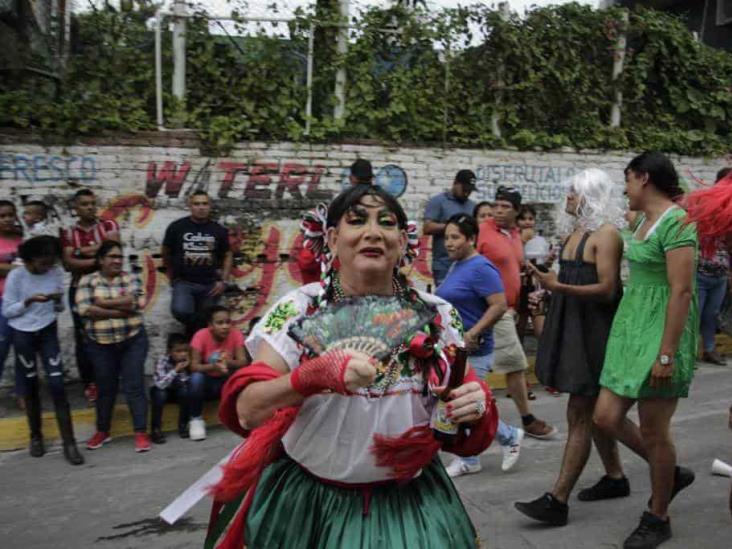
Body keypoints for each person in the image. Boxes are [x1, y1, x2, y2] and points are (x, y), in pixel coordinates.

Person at [206, 184, 497, 549]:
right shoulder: (299, 310)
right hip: (311, 506)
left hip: (413, 501)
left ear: (403, 241)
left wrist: (474, 403)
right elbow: (247, 410)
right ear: (331, 237)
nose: (373, 232)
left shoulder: (436, 314)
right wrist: (309, 377)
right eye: (356, 221)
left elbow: (460, 409)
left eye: (387, 222)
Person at [515, 169, 647, 526]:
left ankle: (557, 500)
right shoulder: (576, 233)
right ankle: (617, 477)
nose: (568, 199)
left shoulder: (605, 235)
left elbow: (607, 289)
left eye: (574, 193)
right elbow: (569, 281)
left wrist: (558, 287)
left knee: (580, 414)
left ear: (589, 196)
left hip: (595, 336)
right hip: (573, 330)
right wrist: (548, 287)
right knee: (597, 417)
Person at [593, 152, 697, 549]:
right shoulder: (640, 221)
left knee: (654, 430)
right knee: (605, 417)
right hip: (630, 328)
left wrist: (667, 353)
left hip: (662, 332)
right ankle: (669, 472)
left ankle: (658, 515)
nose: (625, 188)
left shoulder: (678, 222)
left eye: (628, 180)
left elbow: (682, 291)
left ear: (645, 178)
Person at [437, 214, 525, 476]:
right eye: (447, 238)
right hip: (454, 349)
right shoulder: (458, 264)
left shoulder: (481, 268)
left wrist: (473, 332)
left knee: (470, 405)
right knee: (460, 404)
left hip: (473, 350)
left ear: (471, 239)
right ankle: (470, 458)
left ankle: (509, 436)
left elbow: (499, 305)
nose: (449, 243)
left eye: (455, 237)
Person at [476, 186, 557, 439]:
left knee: (486, 366)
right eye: (496, 205)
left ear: (516, 211)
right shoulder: (482, 231)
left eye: (505, 207)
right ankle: (526, 419)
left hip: (507, 310)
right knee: (515, 363)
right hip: (489, 308)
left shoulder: (513, 234)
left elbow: (515, 269)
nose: (498, 211)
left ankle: (477, 422)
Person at [2, 236, 84, 465]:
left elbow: (59, 307)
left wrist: (56, 301)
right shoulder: (16, 276)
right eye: (42, 262)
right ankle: (35, 435)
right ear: (30, 260)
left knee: (57, 385)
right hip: (22, 332)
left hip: (47, 329)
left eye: (51, 261)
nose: (47, 266)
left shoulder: (55, 272)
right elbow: (8, 311)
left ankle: (70, 442)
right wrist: (28, 302)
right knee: (30, 385)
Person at [76, 240, 151, 453]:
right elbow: (84, 310)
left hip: (132, 340)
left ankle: (140, 432)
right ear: (101, 260)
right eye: (112, 256)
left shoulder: (131, 278)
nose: (117, 260)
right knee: (105, 388)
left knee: (134, 385)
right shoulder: (87, 280)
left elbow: (138, 304)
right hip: (100, 344)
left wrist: (102, 304)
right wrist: (122, 307)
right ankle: (102, 431)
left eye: (119, 256)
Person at [61, 189, 121, 404]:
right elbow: (68, 264)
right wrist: (98, 255)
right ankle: (90, 383)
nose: (90, 207)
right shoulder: (68, 232)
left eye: (92, 203)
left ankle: (111, 379)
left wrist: (81, 252)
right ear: (76, 208)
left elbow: (113, 251)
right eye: (84, 204)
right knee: (83, 338)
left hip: (106, 288)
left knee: (112, 331)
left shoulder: (109, 225)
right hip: (79, 289)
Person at [162, 190, 233, 337]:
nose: (201, 207)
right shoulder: (177, 227)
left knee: (207, 318)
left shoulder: (218, 229)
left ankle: (193, 344)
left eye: (205, 204)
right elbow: (165, 251)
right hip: (184, 282)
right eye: (197, 204)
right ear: (190, 206)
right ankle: (196, 336)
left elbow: (227, 254)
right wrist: (171, 274)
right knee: (180, 310)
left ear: (210, 206)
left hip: (210, 284)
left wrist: (223, 281)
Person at [188, 305, 247, 441]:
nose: (225, 326)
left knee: (243, 375)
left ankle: (240, 416)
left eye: (228, 322)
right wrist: (214, 366)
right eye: (220, 323)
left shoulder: (236, 334)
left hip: (226, 380)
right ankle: (196, 420)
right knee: (196, 378)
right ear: (210, 325)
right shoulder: (200, 335)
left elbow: (243, 361)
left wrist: (227, 363)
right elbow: (194, 366)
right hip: (207, 383)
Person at [695, 167, 732, 365]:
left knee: (712, 314)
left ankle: (709, 349)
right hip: (700, 272)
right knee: (695, 314)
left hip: (720, 274)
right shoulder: (704, 209)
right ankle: (688, 352)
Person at [423, 169, 478, 286]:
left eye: (469, 191)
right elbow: (427, 227)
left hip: (467, 262)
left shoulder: (472, 206)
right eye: (464, 189)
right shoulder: (439, 201)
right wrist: (451, 226)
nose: (466, 193)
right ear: (456, 184)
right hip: (443, 264)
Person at [150, 333, 191, 444]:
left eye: (185, 351)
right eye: (178, 351)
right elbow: (160, 384)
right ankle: (156, 430)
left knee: (185, 391)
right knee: (160, 394)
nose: (182, 354)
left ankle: (183, 426)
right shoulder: (163, 361)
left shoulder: (187, 362)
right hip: (161, 390)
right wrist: (175, 370)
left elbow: (185, 383)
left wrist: (184, 370)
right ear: (169, 352)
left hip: (175, 391)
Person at [0, 200, 22, 406]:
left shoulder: (22, 238)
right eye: (2, 216)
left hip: (23, 301)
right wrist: (18, 268)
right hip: (1, 301)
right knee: (1, 346)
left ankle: (21, 392)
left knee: (23, 348)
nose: (7, 219)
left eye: (10, 215)